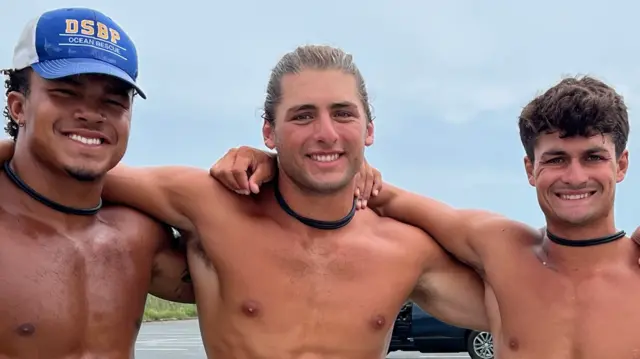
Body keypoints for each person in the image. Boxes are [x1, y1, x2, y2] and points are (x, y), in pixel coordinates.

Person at [89, 45, 489, 359]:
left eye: (343, 114)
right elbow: (71, 172)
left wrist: (392, 197)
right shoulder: (211, 205)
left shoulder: (406, 250)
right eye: (302, 116)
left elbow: (523, 302)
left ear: (368, 130)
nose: (326, 133)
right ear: (269, 131)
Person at [214, 75, 640, 358]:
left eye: (593, 157)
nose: (575, 176)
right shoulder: (501, 249)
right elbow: (377, 194)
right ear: (530, 170)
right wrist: (270, 162)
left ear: (620, 166)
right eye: (556, 159)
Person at [0, 8, 193, 359]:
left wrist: (266, 166)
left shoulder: (140, 235)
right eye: (65, 93)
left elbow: (244, 276)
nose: (91, 113)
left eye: (113, 100)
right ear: (18, 107)